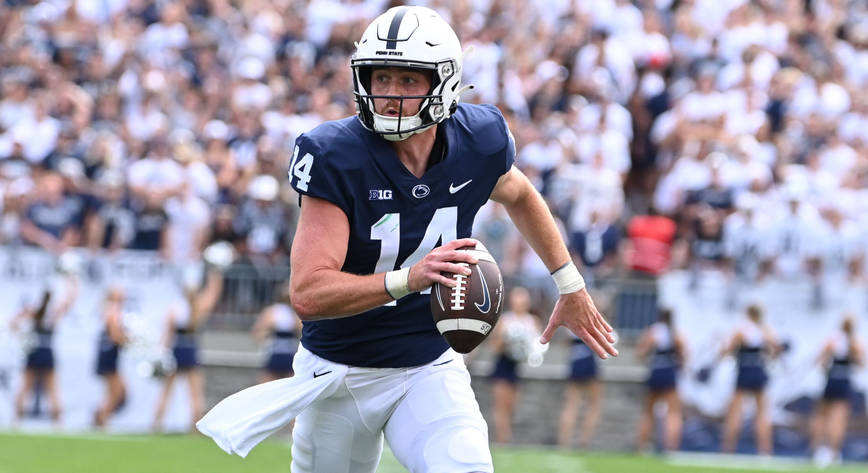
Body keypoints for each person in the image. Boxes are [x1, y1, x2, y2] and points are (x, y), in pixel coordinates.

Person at [196, 7, 616, 473]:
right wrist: (408, 279)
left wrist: (569, 283)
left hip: (425, 365)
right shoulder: (336, 154)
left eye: (408, 80)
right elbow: (309, 293)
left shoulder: (479, 141)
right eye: (381, 78)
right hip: (338, 374)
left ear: (445, 83)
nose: (391, 94)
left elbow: (518, 193)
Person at [151, 263, 224, 432]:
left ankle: (156, 425)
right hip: (190, 348)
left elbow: (166, 336)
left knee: (166, 392)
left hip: (176, 349)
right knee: (195, 393)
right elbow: (213, 294)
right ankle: (195, 429)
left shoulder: (175, 308)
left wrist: (160, 354)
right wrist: (216, 274)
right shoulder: (198, 308)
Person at [12, 273, 79, 425]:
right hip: (46, 351)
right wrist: (72, 284)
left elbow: (13, 323)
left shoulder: (36, 310)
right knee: (51, 388)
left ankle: (16, 421)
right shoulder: (51, 312)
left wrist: (23, 337)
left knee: (26, 387)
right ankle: (57, 423)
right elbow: (69, 302)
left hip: (34, 350)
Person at [720, 304, 780, 455]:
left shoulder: (742, 330)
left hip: (745, 370)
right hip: (758, 370)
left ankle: (728, 449)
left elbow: (726, 351)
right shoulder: (765, 330)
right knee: (762, 412)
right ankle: (765, 450)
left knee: (735, 411)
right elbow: (776, 349)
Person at [487, 286, 540, 444]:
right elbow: (495, 346)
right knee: (501, 405)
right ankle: (503, 439)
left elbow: (537, 346)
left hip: (517, 366)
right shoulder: (505, 319)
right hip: (503, 363)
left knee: (512, 406)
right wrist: (507, 340)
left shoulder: (532, 321)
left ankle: (505, 437)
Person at [811, 316, 864, 467]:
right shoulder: (854, 343)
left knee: (823, 416)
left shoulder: (833, 341)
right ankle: (833, 452)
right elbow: (861, 364)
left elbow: (820, 362)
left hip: (832, 379)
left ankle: (820, 450)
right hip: (844, 380)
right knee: (838, 419)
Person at [635, 308, 686, 452]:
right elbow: (683, 354)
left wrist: (649, 358)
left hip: (656, 370)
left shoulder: (653, 331)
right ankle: (671, 447)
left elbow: (641, 353)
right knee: (673, 412)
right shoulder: (675, 333)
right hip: (669, 372)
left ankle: (642, 446)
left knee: (648, 411)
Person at [558, 331, 602, 449]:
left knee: (571, 405)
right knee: (594, 405)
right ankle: (584, 441)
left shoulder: (570, 321)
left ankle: (564, 442)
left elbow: (566, 342)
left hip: (575, 361)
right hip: (589, 361)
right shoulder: (592, 317)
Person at [93, 286, 129, 428]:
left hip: (110, 356)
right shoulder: (112, 310)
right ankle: (101, 418)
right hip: (108, 356)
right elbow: (115, 336)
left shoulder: (111, 310)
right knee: (117, 393)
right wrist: (130, 342)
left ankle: (102, 418)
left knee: (114, 393)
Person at [251, 282, 301, 383]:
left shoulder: (297, 313)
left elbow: (301, 331)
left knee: (291, 383)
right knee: (267, 383)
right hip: (275, 351)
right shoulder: (271, 312)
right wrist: (268, 333)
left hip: (290, 352)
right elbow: (257, 332)